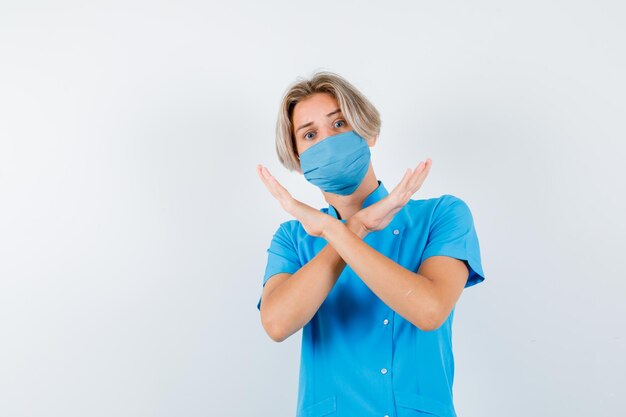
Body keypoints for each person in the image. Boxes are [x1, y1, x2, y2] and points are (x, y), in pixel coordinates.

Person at [255, 70, 486, 417]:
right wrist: (355, 228)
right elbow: (277, 324)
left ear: (369, 131)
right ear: (299, 161)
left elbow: (429, 310)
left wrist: (335, 231)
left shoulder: (442, 215)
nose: (327, 142)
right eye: (309, 134)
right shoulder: (293, 239)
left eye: (339, 124)